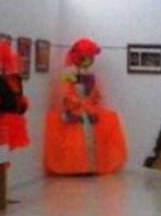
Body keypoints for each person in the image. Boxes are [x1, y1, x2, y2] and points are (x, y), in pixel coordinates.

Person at [44, 38, 127, 175]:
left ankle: (90, 166)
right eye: (87, 57)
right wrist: (76, 104)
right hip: (76, 109)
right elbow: (66, 93)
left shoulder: (90, 77)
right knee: (77, 139)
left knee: (101, 127)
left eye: (91, 58)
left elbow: (95, 95)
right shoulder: (69, 76)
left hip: (88, 108)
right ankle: (77, 167)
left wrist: (91, 102)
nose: (89, 61)